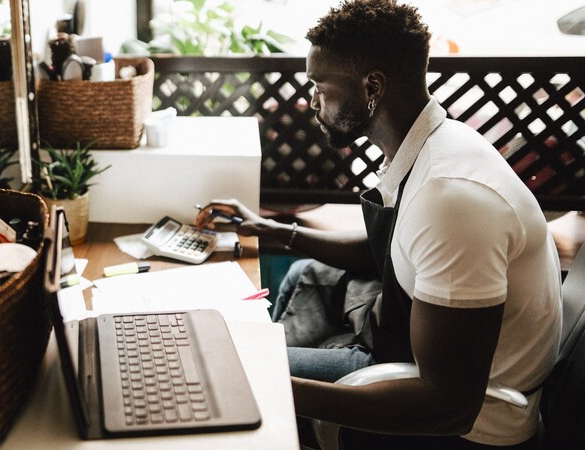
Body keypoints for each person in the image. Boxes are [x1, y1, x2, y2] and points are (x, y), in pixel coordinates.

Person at [194, 0, 562, 447]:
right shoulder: (426, 146)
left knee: (224, 367)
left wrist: (266, 385)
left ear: (372, 86)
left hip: (473, 422)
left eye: (320, 87)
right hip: (409, 350)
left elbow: (448, 407)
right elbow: (388, 248)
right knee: (296, 279)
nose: (312, 101)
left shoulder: (452, 198)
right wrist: (274, 232)